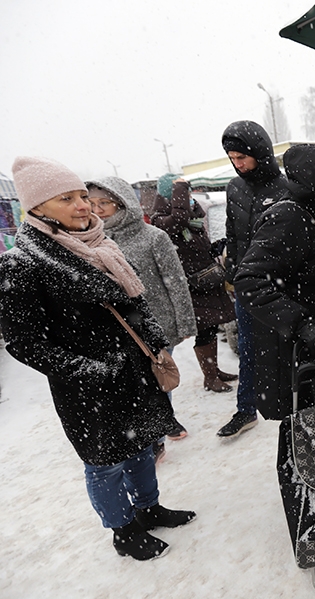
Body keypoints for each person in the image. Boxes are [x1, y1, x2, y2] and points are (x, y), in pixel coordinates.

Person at [0, 156, 195, 561]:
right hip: (88, 387)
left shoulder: (102, 245)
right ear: (36, 209)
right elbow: (23, 342)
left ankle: (148, 507)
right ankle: (123, 531)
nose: (82, 205)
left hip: (134, 371)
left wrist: (155, 340)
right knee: (105, 462)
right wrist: (90, 370)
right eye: (65, 199)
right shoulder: (22, 264)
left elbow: (132, 304)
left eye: (82, 196)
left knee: (142, 444)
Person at [234, 143, 315, 421]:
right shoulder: (288, 218)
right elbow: (249, 281)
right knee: (307, 438)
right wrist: (302, 324)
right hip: (299, 353)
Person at [86, 177, 198, 451]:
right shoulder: (90, 241)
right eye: (92, 203)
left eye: (104, 203)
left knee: (158, 376)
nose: (97, 209)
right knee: (136, 383)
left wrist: (185, 322)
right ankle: (158, 427)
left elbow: (175, 280)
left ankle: (158, 433)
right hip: (118, 328)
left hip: (156, 323)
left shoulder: (153, 237)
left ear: (122, 203)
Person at [219, 121, 293, 438]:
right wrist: (232, 272)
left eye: (242, 158)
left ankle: (294, 406)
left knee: (285, 348)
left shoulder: (286, 188)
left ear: (260, 153)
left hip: (280, 287)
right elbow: (233, 235)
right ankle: (245, 409)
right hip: (246, 286)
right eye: (232, 159)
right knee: (248, 348)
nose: (238, 165)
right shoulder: (234, 188)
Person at [149, 174, 237, 395]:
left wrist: (214, 247)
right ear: (171, 195)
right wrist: (180, 187)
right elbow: (177, 221)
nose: (187, 198)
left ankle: (214, 370)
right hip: (192, 284)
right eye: (182, 194)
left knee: (210, 327)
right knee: (205, 328)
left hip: (207, 279)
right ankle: (210, 377)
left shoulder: (192, 218)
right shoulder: (160, 218)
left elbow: (193, 238)